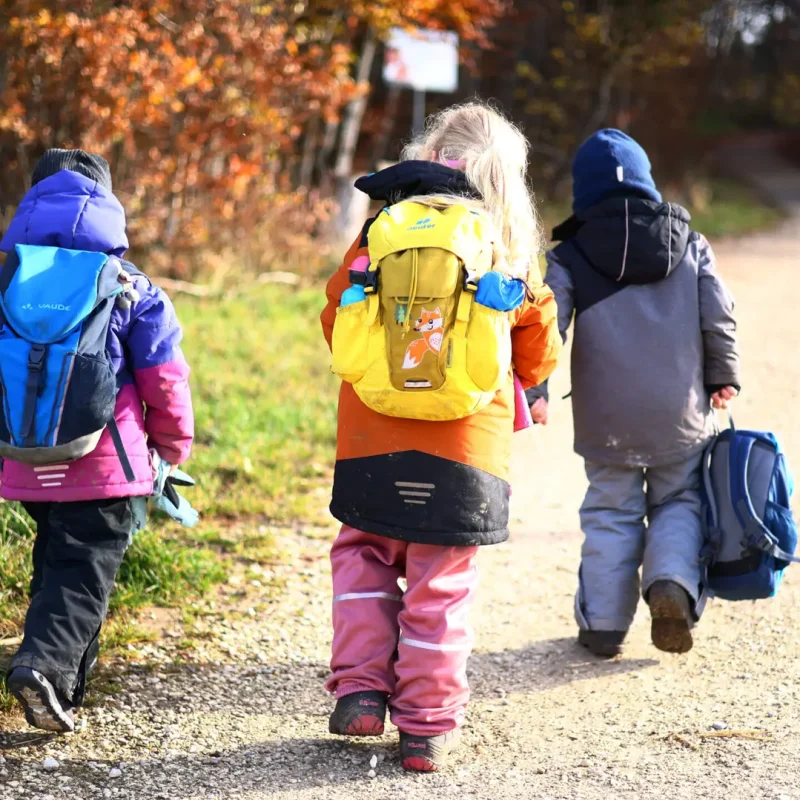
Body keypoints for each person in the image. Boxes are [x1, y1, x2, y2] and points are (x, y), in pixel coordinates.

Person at [320, 103, 562, 771]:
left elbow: (333, 318)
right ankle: (425, 725)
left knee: (363, 558)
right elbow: (539, 350)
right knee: (441, 583)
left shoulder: (381, 231)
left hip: (371, 438)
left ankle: (363, 691)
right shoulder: (506, 247)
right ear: (506, 180)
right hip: (464, 455)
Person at [527, 129, 740, 658]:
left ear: (584, 191)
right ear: (645, 181)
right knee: (680, 501)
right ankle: (671, 582)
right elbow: (719, 318)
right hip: (679, 414)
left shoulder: (570, 254)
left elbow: (546, 328)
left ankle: (602, 626)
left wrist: (537, 389)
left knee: (611, 513)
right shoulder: (689, 242)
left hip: (608, 421)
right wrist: (722, 377)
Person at [0, 149, 194, 732]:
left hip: (27, 461)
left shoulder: (8, 280)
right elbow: (166, 380)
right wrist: (172, 446)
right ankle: (43, 668)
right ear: (108, 206)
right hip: (105, 463)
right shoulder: (132, 288)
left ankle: (65, 687)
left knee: (57, 560)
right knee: (83, 571)